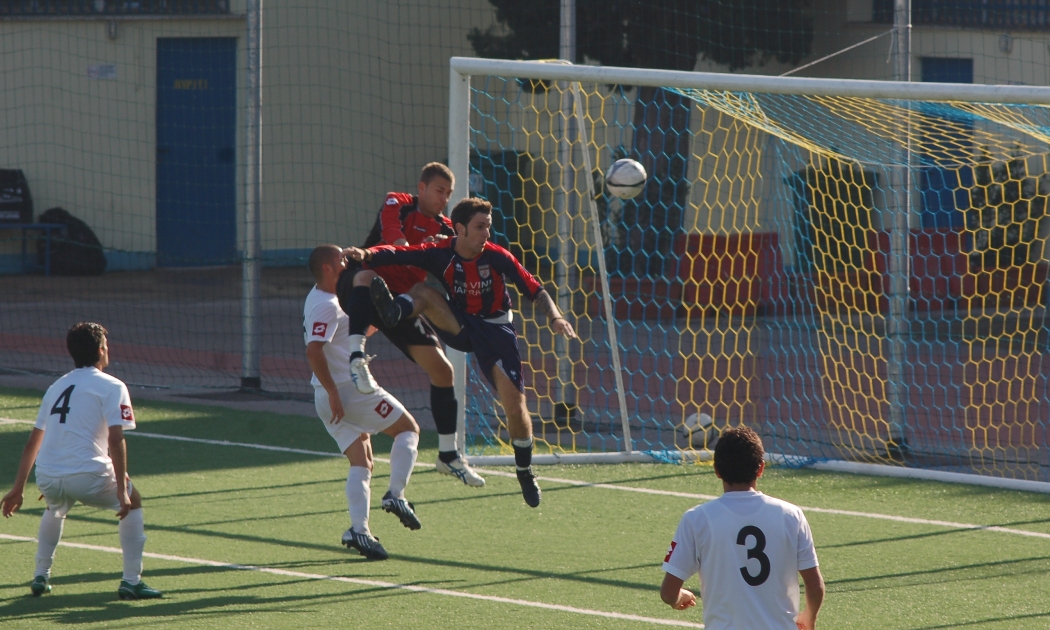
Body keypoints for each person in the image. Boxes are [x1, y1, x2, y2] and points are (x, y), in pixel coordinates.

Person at [344, 197, 578, 508]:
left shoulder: (499, 257)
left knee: (515, 409)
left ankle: (524, 469)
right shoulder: (440, 252)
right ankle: (394, 312)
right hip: (460, 325)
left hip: (496, 332)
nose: (486, 233)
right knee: (422, 292)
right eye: (480, 227)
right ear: (460, 229)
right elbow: (400, 252)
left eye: (489, 227)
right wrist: (366, 254)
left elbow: (535, 289)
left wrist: (556, 317)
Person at [336, 162, 485, 488]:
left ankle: (448, 455)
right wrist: (424, 248)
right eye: (438, 190)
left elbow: (463, 264)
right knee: (366, 274)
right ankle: (356, 357)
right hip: (360, 286)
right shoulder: (397, 203)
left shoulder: (447, 227)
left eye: (448, 193)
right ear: (421, 188)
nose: (443, 198)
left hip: (397, 304)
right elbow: (394, 240)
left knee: (443, 370)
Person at [0, 322, 161, 600]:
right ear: (101, 351)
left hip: (48, 476)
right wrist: (122, 490)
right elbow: (116, 440)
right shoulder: (113, 386)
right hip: (88, 477)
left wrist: (17, 489)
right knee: (134, 502)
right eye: (107, 347)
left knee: (55, 506)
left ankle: (41, 575)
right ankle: (131, 581)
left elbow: (32, 443)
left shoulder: (56, 386)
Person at [305, 244, 423, 561]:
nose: (347, 263)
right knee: (408, 429)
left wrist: (379, 316)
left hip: (328, 396)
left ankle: (359, 531)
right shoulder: (326, 305)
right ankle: (397, 495)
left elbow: (350, 334)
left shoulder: (328, 297)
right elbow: (314, 350)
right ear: (328, 268)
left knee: (362, 462)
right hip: (347, 391)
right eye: (341, 260)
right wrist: (334, 391)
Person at [660, 426, 825, 630]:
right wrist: (809, 617)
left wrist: (678, 598)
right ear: (761, 468)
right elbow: (815, 585)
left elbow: (668, 593)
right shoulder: (791, 515)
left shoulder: (697, 519)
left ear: (717, 470)